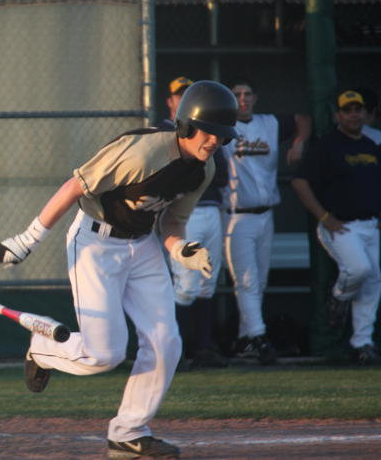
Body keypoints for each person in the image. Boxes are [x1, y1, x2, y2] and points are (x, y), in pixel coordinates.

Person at [0, 80, 238, 459]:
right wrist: (28, 238)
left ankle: (128, 431)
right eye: (209, 132)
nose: (215, 142)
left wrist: (181, 248)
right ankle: (42, 349)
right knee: (105, 354)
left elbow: (170, 226)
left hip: (143, 246)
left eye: (222, 136)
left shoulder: (203, 170)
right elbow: (76, 186)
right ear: (186, 126)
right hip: (95, 243)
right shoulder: (143, 152)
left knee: (167, 342)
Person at [221, 80, 312, 365]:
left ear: (256, 97)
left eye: (248, 94)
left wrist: (299, 142)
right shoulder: (222, 129)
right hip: (237, 215)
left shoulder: (269, 123)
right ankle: (259, 337)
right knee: (246, 281)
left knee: (258, 281)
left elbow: (303, 119)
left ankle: (245, 339)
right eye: (237, 95)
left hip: (266, 215)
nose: (243, 99)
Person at [291, 90, 381, 365]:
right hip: (341, 226)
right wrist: (324, 216)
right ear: (338, 115)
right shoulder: (327, 145)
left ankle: (361, 343)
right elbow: (299, 181)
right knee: (359, 269)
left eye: (358, 109)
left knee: (373, 283)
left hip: (371, 225)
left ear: (365, 113)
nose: (354, 114)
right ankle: (339, 295)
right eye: (348, 110)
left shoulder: (371, 144)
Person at [159, 77, 229, 369]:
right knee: (185, 285)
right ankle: (177, 349)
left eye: (185, 95)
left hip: (212, 209)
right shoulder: (165, 131)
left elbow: (221, 174)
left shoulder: (209, 134)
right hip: (184, 214)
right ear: (171, 101)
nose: (181, 100)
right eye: (177, 95)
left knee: (207, 282)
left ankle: (203, 346)